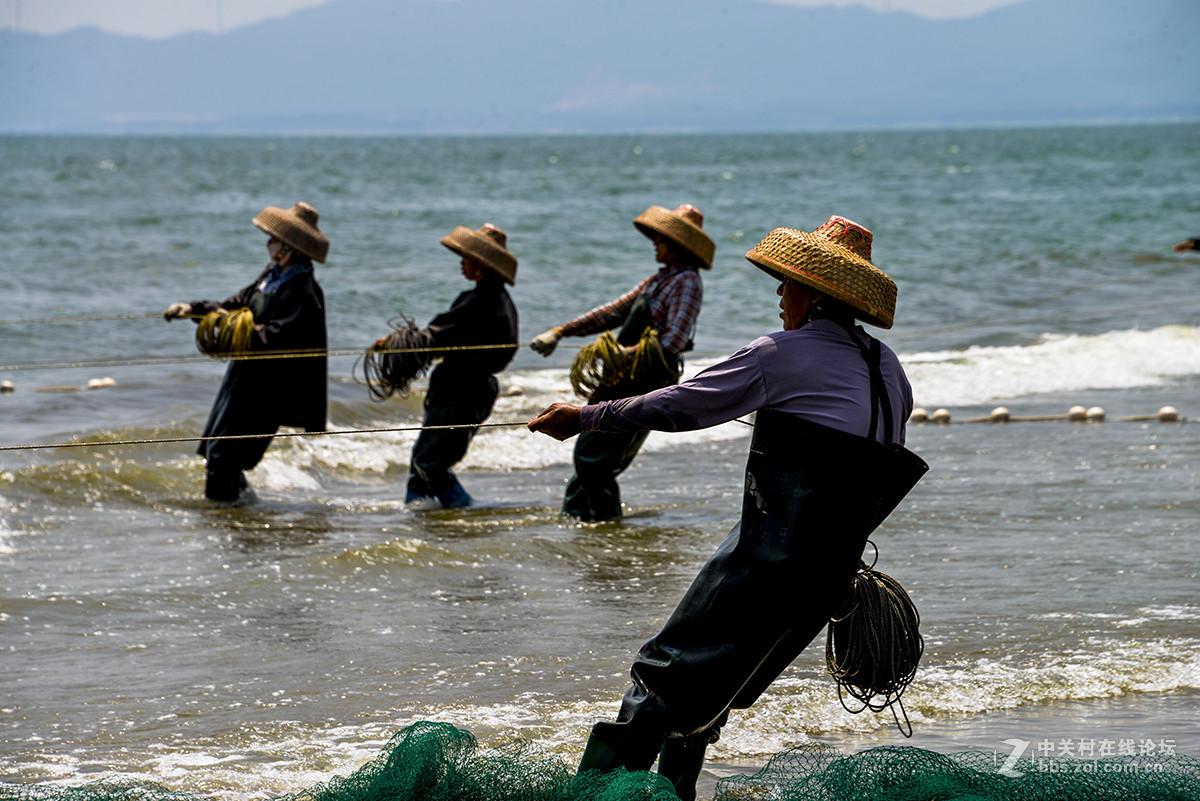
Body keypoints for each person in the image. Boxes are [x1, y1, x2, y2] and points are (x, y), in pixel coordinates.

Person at [528, 216, 928, 801]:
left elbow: (684, 406)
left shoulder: (781, 353)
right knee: (711, 696)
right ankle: (675, 794)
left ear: (814, 294)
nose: (778, 294)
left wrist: (585, 416)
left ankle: (598, 796)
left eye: (787, 284)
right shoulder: (891, 370)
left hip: (766, 562)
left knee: (659, 677)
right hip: (829, 578)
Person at [529, 204, 714, 521]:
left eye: (662, 238)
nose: (655, 242)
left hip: (645, 381)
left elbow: (673, 342)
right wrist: (561, 331)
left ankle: (604, 529)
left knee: (596, 459)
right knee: (589, 453)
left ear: (679, 244)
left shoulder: (687, 282)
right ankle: (580, 522)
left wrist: (621, 354)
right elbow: (612, 313)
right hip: (622, 377)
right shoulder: (658, 280)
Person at [164, 202, 329, 503]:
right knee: (217, 452)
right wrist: (193, 309)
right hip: (243, 379)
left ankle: (231, 522)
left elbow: (279, 336)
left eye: (273, 239)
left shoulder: (303, 290)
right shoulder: (272, 274)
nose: (268, 242)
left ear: (288, 248)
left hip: (269, 389)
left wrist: (237, 330)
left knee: (225, 457)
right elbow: (236, 304)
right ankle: (241, 517)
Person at [400, 223, 519, 509]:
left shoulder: (480, 301)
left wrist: (397, 344)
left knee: (429, 461)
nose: (461, 264)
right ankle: (418, 514)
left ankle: (462, 510)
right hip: (470, 389)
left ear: (479, 264)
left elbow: (438, 335)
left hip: (461, 390)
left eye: (465, 259)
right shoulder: (499, 301)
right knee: (425, 459)